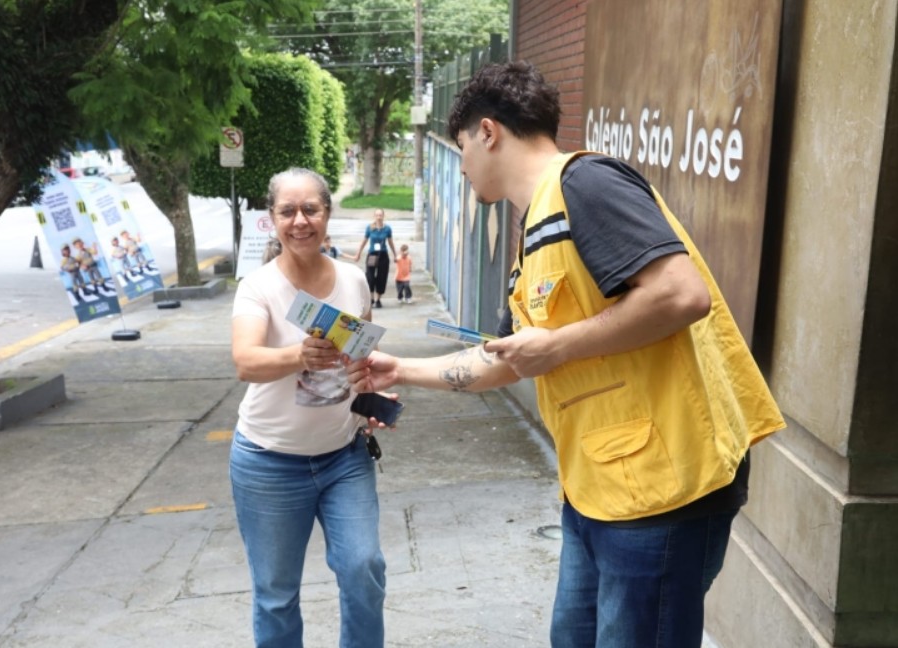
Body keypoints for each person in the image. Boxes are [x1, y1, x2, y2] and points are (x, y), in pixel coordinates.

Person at [346, 61, 785, 648]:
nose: (464, 163)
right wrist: (402, 369)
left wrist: (554, 345)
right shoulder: (536, 231)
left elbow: (681, 295)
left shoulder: (586, 184)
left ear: (487, 132)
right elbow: (504, 359)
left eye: (460, 147)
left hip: (664, 490)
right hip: (597, 489)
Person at [229, 167, 385, 648]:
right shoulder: (258, 287)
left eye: (310, 209)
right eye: (287, 211)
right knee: (276, 595)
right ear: (272, 219)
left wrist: (371, 402)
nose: (300, 221)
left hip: (344, 457)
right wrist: (297, 355)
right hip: (268, 462)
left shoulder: (355, 281)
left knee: (364, 569)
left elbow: (359, 360)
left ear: (327, 214)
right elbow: (245, 361)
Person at [354, 208, 396, 308]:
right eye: (377, 215)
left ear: (383, 216)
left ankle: (378, 299)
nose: (379, 217)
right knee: (370, 277)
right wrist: (358, 253)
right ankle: (371, 298)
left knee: (382, 278)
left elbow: (390, 242)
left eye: (380, 215)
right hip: (372, 255)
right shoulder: (369, 228)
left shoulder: (387, 229)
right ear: (374, 216)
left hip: (383, 255)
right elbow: (364, 241)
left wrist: (395, 254)